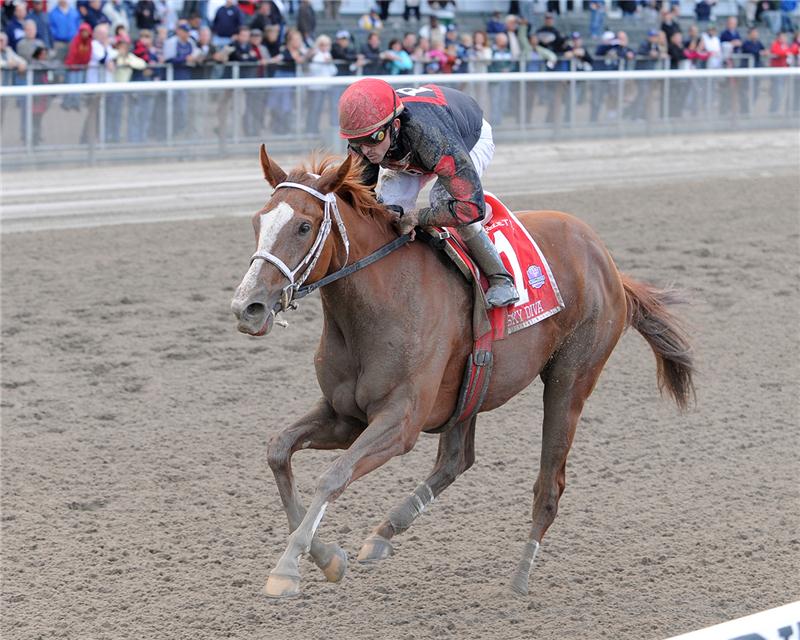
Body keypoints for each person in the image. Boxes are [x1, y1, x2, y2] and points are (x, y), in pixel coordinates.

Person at [338, 78, 519, 308]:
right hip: (410, 151)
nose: (366, 151)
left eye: (374, 140)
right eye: (357, 142)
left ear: (393, 127)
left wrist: (416, 217)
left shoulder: (432, 137)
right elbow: (358, 198)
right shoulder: (368, 137)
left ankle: (501, 278)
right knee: (388, 208)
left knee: (443, 200)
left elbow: (469, 208)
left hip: (466, 137)